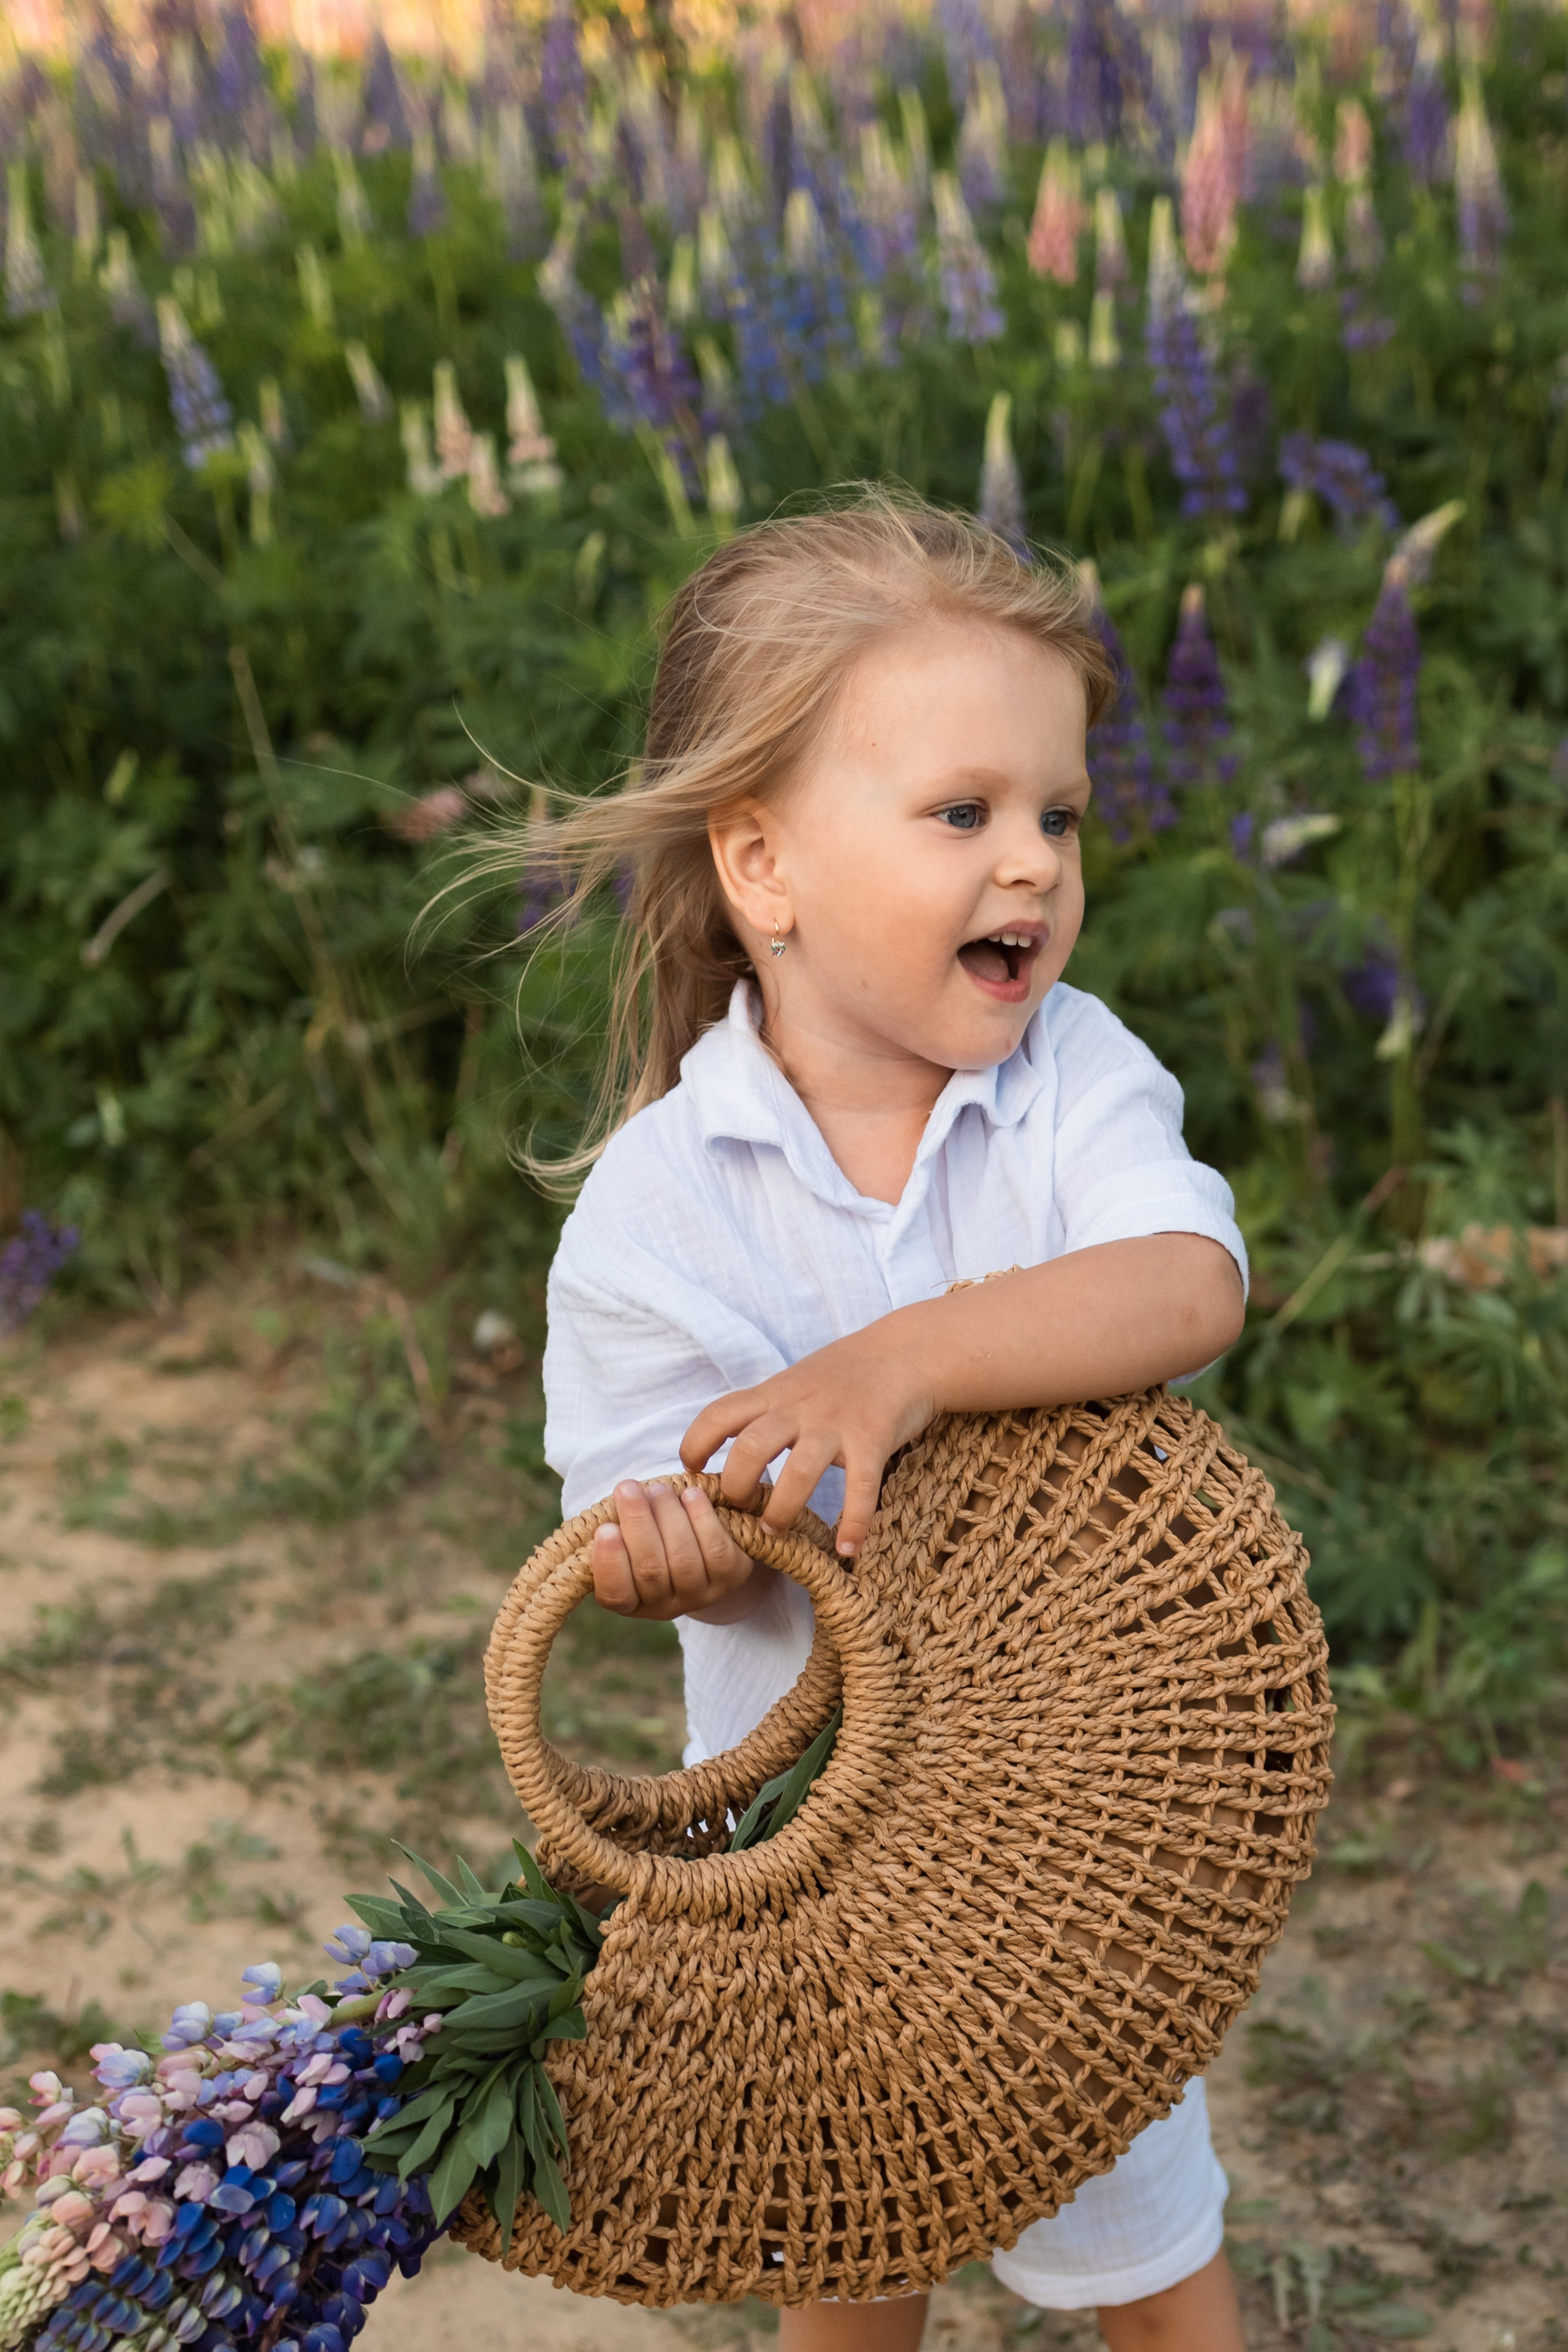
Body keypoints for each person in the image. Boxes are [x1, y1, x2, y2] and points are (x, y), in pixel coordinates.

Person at [538, 489, 1251, 2352]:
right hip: (824, 1866)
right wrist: (669, 1562)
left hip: (1066, 1840)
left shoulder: (1074, 1079)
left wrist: (903, 1358)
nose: (1031, 865)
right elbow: (623, 1520)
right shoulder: (663, 1200)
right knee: (851, 2256)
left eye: (1057, 815)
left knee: (1151, 2251)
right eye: (962, 815)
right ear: (761, 867)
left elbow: (1191, 1283)